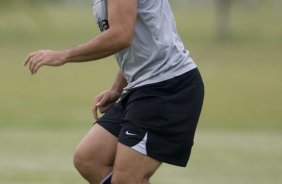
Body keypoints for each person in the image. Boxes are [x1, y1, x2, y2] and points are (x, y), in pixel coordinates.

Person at [24, 0, 204, 183]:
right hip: (142, 87)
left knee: (125, 179)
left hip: (167, 86)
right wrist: (116, 88)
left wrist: (64, 55)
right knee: (89, 158)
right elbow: (138, 44)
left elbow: (122, 35)